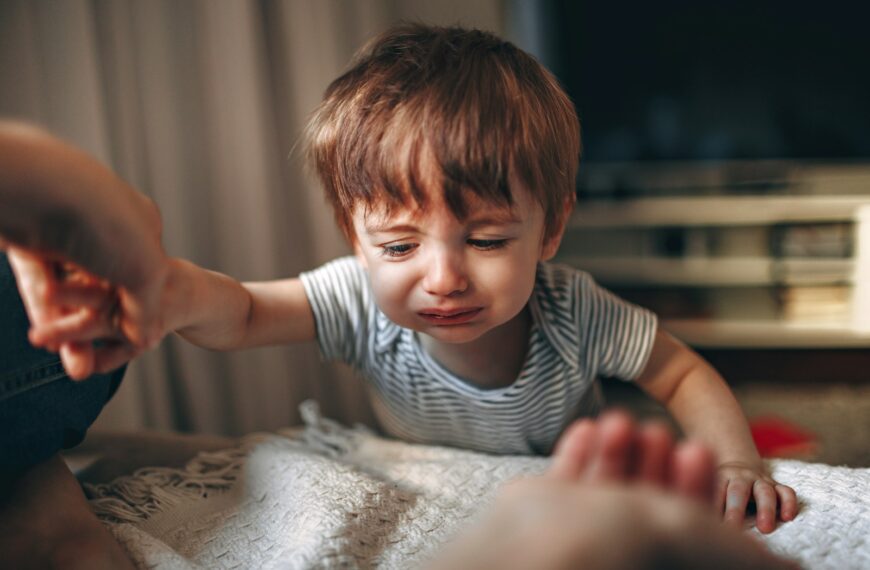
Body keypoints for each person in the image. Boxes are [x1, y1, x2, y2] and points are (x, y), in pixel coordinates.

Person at [20, 23, 797, 533]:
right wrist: (174, 290)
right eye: (397, 247)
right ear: (355, 240)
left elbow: (679, 371)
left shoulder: (574, 312)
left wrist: (735, 461)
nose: (444, 277)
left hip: (559, 475)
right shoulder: (360, 301)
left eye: (487, 238)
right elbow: (250, 314)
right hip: (428, 472)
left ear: (551, 228)